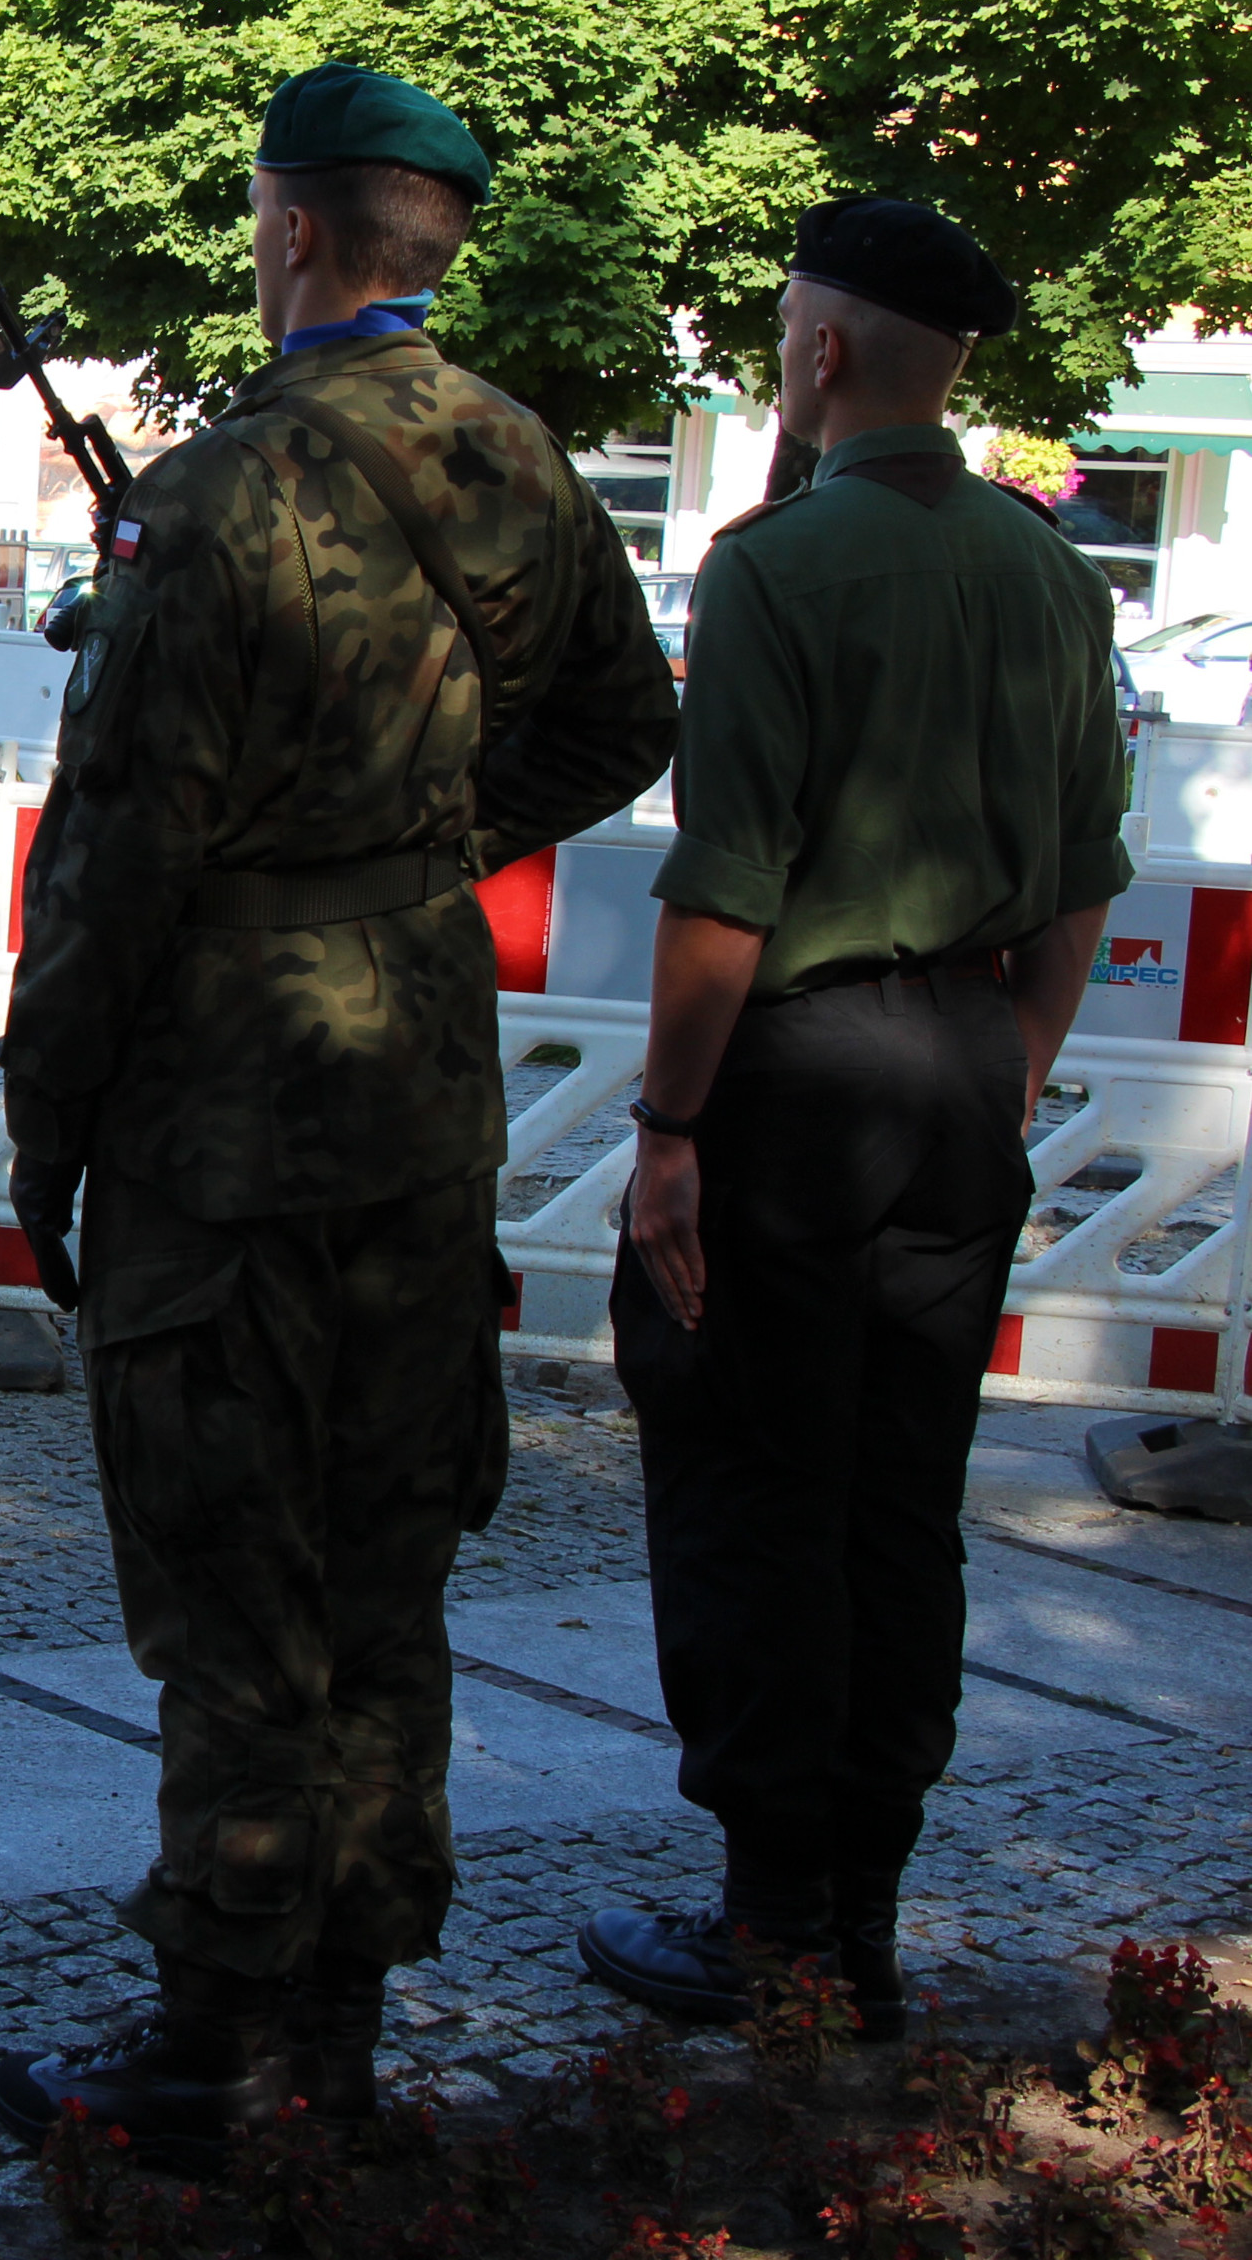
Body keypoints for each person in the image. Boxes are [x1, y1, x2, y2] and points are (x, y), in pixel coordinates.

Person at [0, 63, 678, 2160]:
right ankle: (340, 2035)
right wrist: (426, 849)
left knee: (235, 1585)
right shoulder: (521, 461)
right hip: (421, 1091)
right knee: (384, 1571)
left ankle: (214, 2048)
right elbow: (626, 721)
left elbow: (117, 859)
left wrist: (46, 1119)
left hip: (225, 1106)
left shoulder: (214, 498)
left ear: (291, 228)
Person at [578, 199, 1125, 2039]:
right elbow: (1079, 881)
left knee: (751, 1480)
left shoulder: (776, 568)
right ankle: (860, 1922)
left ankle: (769, 1925)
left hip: (793, 1086)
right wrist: (1011, 1058)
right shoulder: (1051, 577)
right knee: (901, 1499)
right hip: (962, 1063)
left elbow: (723, 891)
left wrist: (668, 1129)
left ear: (818, 352)